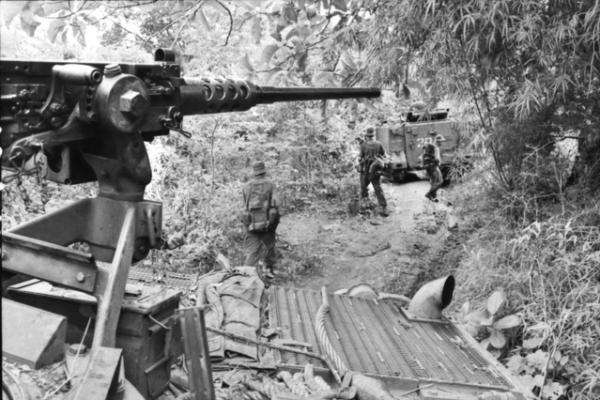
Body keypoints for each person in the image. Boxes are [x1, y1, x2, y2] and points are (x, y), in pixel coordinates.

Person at [241, 161, 280, 281]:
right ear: (264, 171)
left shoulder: (246, 186)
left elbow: (244, 207)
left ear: (254, 173)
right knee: (269, 247)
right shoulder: (271, 185)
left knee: (251, 252)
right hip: (268, 225)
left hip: (251, 225)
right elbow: (276, 205)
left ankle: (244, 277)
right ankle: (268, 274)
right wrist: (272, 223)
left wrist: (248, 223)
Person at [358, 127, 389, 216]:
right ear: (373, 135)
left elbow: (360, 158)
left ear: (367, 135)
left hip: (365, 171)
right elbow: (384, 156)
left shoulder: (363, 145)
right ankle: (384, 208)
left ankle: (364, 208)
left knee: (363, 189)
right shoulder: (379, 144)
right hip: (375, 171)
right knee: (378, 188)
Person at [422, 134, 443, 201]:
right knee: (439, 181)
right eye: (441, 141)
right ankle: (429, 194)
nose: (441, 143)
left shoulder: (431, 146)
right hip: (433, 166)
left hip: (429, 166)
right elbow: (437, 158)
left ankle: (433, 196)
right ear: (438, 141)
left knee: (434, 181)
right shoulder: (435, 148)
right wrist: (438, 163)